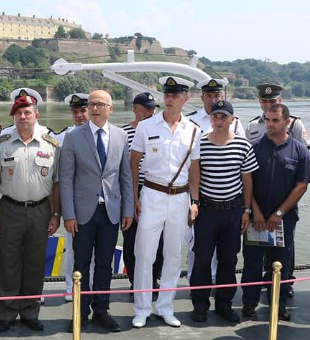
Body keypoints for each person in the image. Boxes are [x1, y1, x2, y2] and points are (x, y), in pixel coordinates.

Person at [130, 76, 201, 329]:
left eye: (175, 95)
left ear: (185, 98)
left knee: (173, 254)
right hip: (152, 194)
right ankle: (142, 308)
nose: (169, 99)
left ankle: (165, 306)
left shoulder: (193, 130)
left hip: (180, 198)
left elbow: (194, 169)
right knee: (144, 254)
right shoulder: (146, 127)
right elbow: (134, 161)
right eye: (166, 94)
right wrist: (134, 197)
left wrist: (195, 200)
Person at [60, 90, 134, 333]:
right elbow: (66, 178)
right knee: (80, 264)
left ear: (110, 109)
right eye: (91, 104)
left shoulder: (121, 136)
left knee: (104, 264)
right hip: (82, 212)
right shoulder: (73, 136)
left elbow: (125, 176)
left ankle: (102, 310)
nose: (94, 108)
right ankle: (80, 312)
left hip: (111, 211)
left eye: (100, 104)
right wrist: (68, 215)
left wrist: (128, 210)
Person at [0, 95, 60, 332]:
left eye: (27, 112)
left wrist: (55, 214)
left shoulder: (51, 145)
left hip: (41, 210)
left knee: (35, 263)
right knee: (8, 263)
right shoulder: (2, 145)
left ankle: (30, 311)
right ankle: (7, 313)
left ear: (36, 115)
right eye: (18, 113)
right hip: (10, 210)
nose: (23, 117)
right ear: (13, 116)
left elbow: (56, 183)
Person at [241, 103, 310, 322]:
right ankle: (249, 304)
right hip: (257, 219)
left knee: (281, 265)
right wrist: (256, 212)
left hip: (284, 220)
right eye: (267, 120)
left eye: (275, 121)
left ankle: (279, 304)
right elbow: (247, 183)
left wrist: (279, 214)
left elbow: (302, 185)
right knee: (252, 263)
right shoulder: (252, 148)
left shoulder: (299, 150)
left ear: (287, 122)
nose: (270, 125)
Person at [190, 100, 258, 323]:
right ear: (211, 118)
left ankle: (224, 304)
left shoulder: (243, 145)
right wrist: (195, 202)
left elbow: (247, 180)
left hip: (232, 211)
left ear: (232, 119)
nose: (218, 120)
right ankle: (200, 304)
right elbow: (195, 176)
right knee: (201, 259)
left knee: (229, 260)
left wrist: (246, 210)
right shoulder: (200, 143)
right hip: (207, 211)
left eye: (223, 117)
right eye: (215, 116)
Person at [185, 78, 245, 283]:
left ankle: (221, 296)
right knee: (197, 248)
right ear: (201, 97)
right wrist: (193, 201)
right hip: (199, 198)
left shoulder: (236, 123)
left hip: (230, 202)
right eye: (209, 95)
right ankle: (197, 290)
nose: (213, 99)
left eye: (217, 95)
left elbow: (242, 159)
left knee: (227, 255)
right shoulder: (189, 121)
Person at [120, 92, 163, 296]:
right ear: (135, 109)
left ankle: (154, 279)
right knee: (131, 239)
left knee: (159, 239)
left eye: (153, 108)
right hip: (131, 191)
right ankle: (135, 280)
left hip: (156, 190)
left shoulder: (161, 130)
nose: (150, 112)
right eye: (146, 108)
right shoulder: (122, 134)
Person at [55, 93, 90, 302]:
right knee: (72, 249)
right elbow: (60, 176)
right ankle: (70, 287)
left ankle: (91, 287)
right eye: (75, 112)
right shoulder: (62, 137)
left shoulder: (101, 134)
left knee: (94, 251)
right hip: (73, 201)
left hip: (96, 201)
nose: (79, 115)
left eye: (82, 110)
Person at [245, 83, 310, 148]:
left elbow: (304, 152)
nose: (268, 105)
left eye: (272, 101)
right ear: (259, 101)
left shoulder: (294, 124)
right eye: (264, 101)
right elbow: (245, 151)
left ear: (280, 100)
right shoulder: (252, 126)